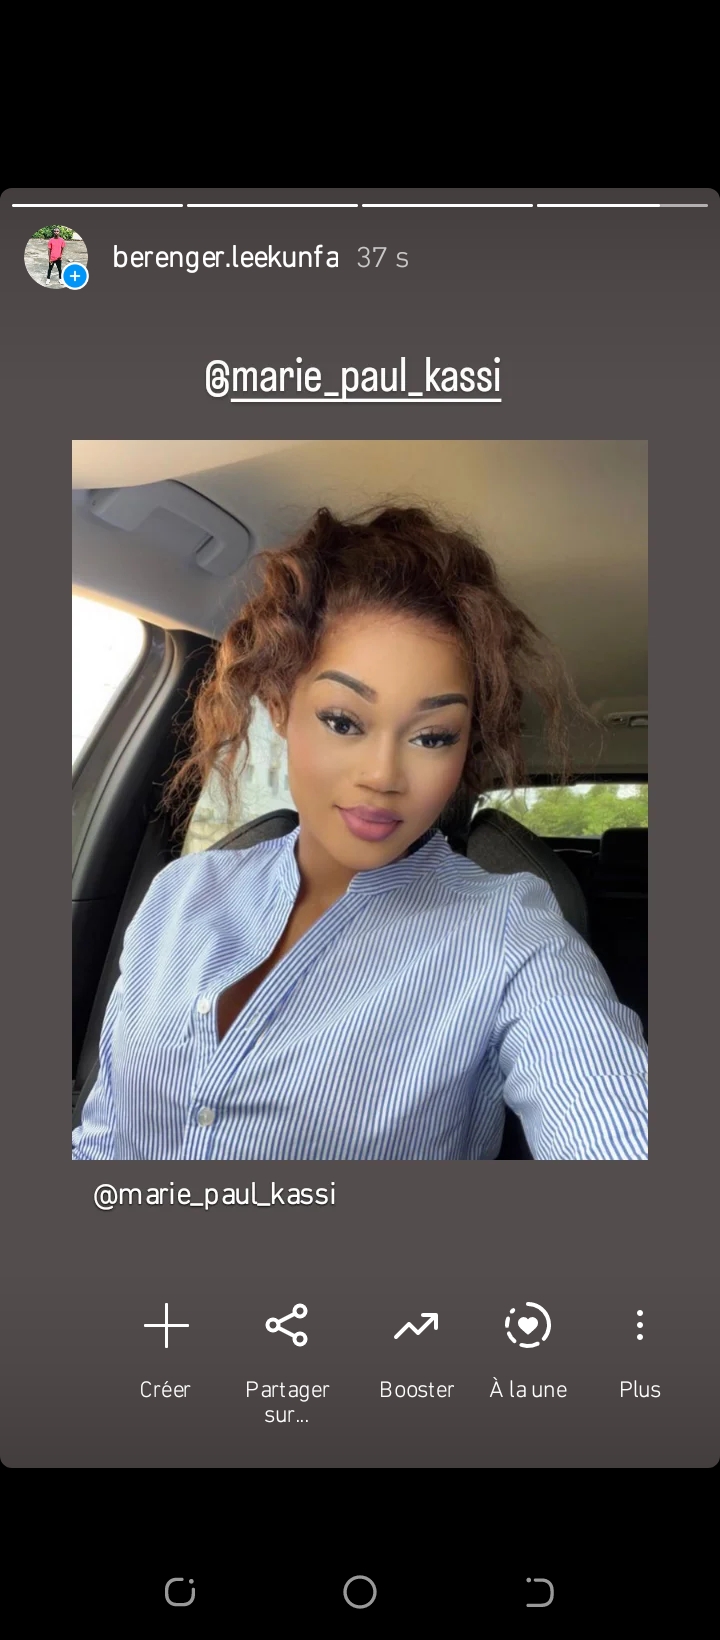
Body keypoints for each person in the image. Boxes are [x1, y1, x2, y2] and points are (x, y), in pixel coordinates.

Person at [72, 505, 648, 1161]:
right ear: (281, 707)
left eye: (433, 736)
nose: (383, 775)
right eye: (344, 721)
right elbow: (103, 1141)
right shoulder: (181, 894)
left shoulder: (511, 934)